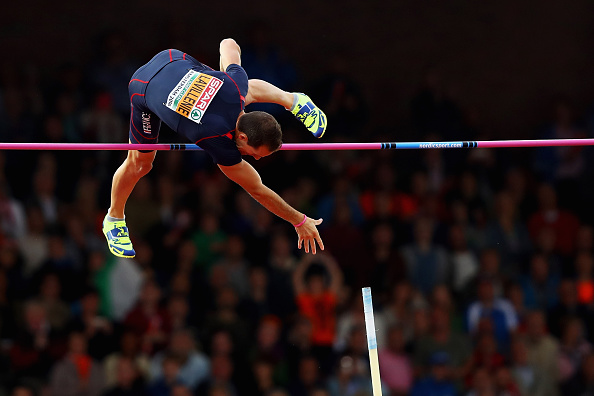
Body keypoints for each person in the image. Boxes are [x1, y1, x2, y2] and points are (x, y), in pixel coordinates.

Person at [102, 38, 327, 258]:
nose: (256, 160)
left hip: (173, 59)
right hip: (144, 87)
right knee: (140, 164)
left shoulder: (234, 87)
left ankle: (294, 100)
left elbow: (228, 44)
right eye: (255, 154)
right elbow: (257, 189)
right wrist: (299, 220)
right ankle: (113, 218)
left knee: (242, 89)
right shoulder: (215, 139)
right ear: (243, 136)